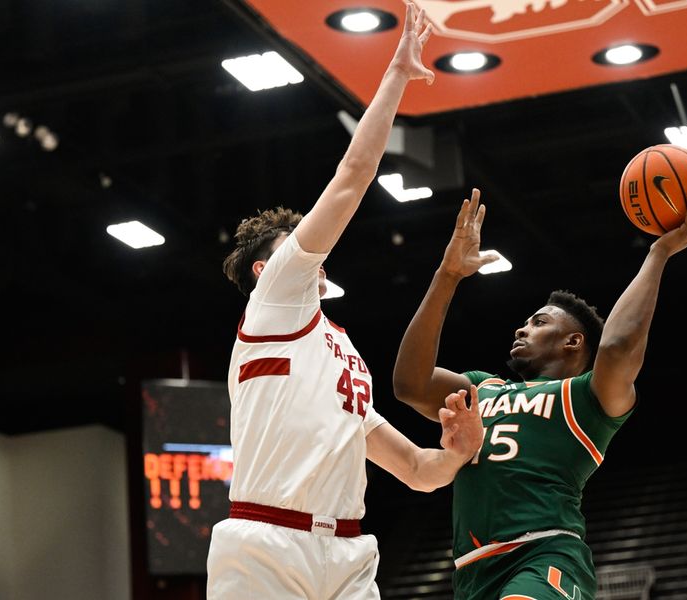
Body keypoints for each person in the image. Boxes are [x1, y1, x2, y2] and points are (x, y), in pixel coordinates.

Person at [206, 6, 484, 599]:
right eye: (297, 240)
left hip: (350, 552)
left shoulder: (341, 352)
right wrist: (396, 76)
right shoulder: (276, 299)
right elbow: (354, 175)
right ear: (266, 269)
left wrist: (455, 454)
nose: (314, 242)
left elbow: (414, 471)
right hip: (265, 545)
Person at [393, 188, 687, 599]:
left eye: (538, 322)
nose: (521, 328)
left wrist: (658, 254)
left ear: (572, 342)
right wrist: (447, 275)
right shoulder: (483, 387)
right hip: (471, 570)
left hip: (544, 553)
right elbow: (409, 384)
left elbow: (617, 347)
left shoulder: (587, 398)